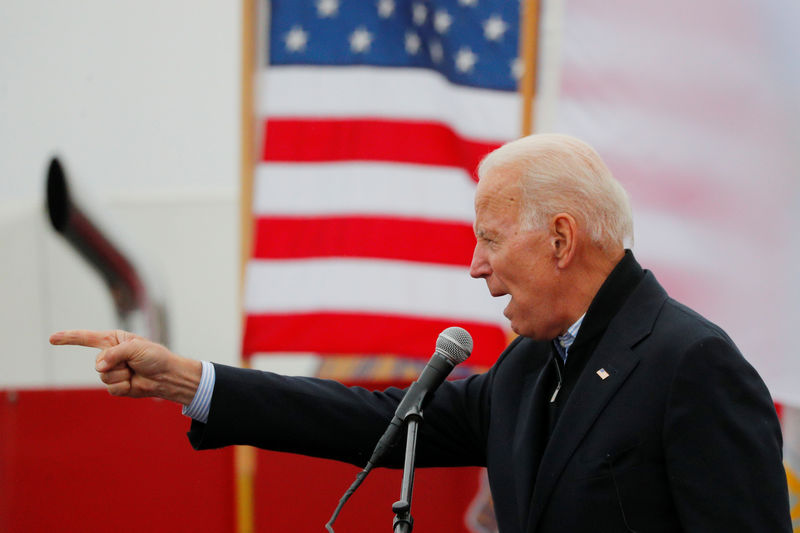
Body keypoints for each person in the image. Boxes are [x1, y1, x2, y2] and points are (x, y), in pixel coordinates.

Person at [50, 134, 791, 532]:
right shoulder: (527, 369)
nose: (476, 267)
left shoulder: (691, 364)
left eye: (491, 240)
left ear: (562, 239)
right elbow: (377, 420)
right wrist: (190, 380)